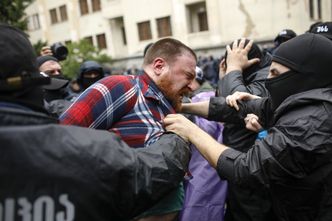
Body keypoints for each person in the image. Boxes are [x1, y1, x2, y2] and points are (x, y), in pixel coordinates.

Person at [0, 23, 191, 221]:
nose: (191, 85)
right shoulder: (82, 146)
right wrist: (178, 137)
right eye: (188, 76)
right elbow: (139, 175)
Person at [163, 33, 332, 221]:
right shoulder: (305, 100)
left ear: (304, 76)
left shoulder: (309, 123)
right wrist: (184, 107)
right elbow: (237, 109)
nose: (268, 80)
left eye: (275, 73)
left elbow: (245, 169)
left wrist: (191, 131)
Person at [60, 37, 197, 221]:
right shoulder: (123, 87)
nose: (192, 86)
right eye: (188, 76)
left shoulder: (167, 105)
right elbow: (60, 140)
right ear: (158, 66)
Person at [217, 39, 276, 221]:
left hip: (256, 179)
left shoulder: (266, 77)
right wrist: (226, 78)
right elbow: (224, 108)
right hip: (243, 171)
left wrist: (233, 70)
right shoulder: (248, 76)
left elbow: (239, 106)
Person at [179, 66, 227, 221]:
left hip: (203, 174)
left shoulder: (204, 98)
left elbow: (209, 130)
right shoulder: (212, 96)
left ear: (192, 82)